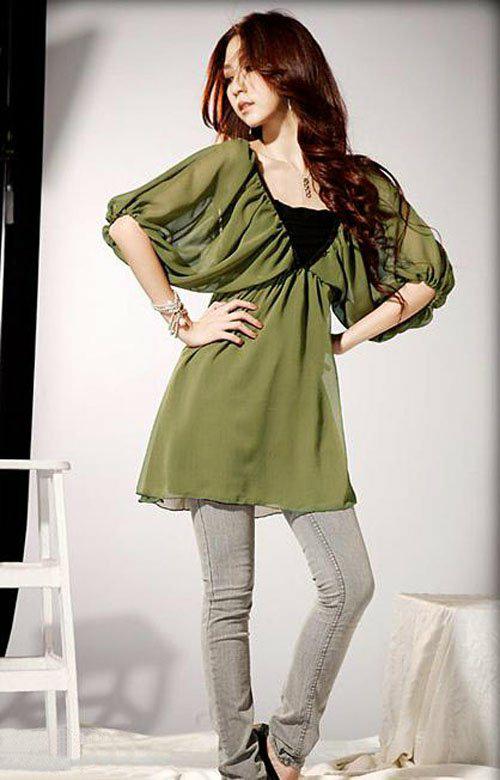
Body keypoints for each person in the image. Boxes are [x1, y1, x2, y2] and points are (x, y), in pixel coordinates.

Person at [102, 9, 455, 779]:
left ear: (292, 69)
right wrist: (183, 322)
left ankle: (286, 743)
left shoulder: (355, 182)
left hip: (302, 410)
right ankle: (241, 763)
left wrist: (345, 339)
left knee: (348, 584)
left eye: (250, 69)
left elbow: (427, 273)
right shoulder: (231, 163)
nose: (236, 86)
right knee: (229, 596)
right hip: (218, 399)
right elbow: (127, 221)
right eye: (227, 74)